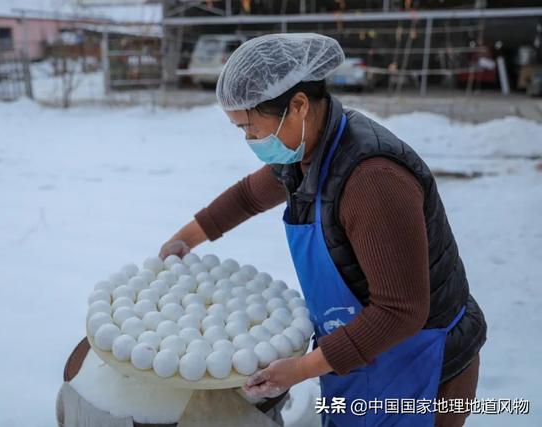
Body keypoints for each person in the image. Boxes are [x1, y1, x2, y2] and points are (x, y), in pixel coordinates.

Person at [159, 33, 486, 427]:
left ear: (297, 106)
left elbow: (401, 312)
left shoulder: (372, 180)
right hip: (360, 351)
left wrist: (300, 369)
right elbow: (248, 196)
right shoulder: (307, 152)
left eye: (252, 129)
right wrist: (185, 238)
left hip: (424, 365)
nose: (249, 140)